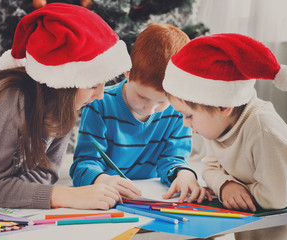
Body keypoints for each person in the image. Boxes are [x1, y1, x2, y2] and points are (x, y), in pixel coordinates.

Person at [0, 3, 133, 210]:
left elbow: (46, 174)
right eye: (93, 85)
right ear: (63, 82)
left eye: (104, 84)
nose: (100, 95)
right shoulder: (11, 96)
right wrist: (67, 195)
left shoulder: (63, 107)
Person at [163, 33, 287, 239]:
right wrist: (225, 185)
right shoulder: (216, 124)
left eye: (188, 115)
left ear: (224, 106)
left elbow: (276, 198)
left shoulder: (263, 131)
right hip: (255, 226)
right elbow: (210, 168)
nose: (185, 123)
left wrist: (235, 189)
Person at [70, 23, 211, 203]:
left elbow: (172, 158)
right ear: (128, 72)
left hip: (152, 200)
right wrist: (100, 179)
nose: (149, 109)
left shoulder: (177, 111)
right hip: (107, 199)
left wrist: (183, 174)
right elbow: (83, 165)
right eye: (142, 96)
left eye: (161, 101)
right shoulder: (100, 104)